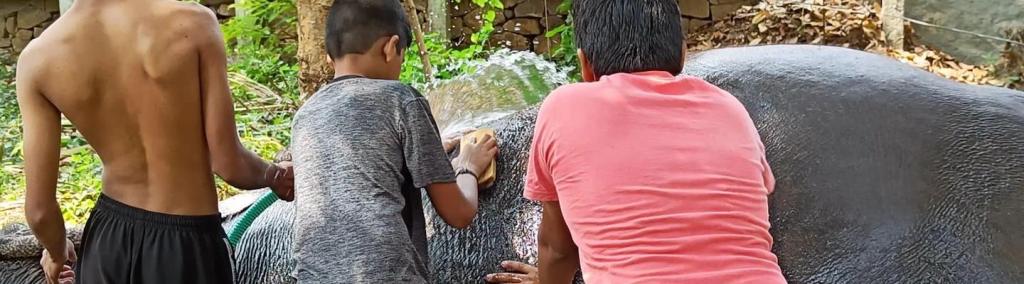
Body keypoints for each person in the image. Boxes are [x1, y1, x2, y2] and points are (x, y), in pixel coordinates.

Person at [16, 0, 294, 283]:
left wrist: (56, 250)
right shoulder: (192, 23)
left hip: (108, 245)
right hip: (188, 248)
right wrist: (274, 175)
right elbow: (228, 163)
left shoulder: (38, 58)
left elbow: (39, 212)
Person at [512, 0, 788, 283]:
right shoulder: (729, 108)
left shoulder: (563, 108)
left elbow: (558, 250)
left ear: (585, 64)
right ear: (683, 54)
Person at [288, 0, 498, 282]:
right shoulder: (401, 99)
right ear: (391, 47)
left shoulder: (304, 116)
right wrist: (467, 166)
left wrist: (433, 147)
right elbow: (459, 213)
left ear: (329, 56)